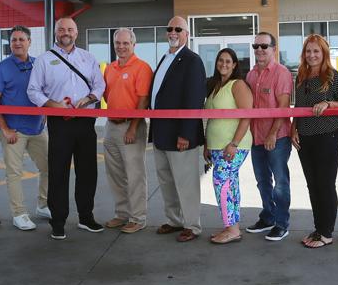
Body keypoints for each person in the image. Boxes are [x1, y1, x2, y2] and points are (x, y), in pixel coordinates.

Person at [27, 17, 106, 240]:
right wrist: (53, 105)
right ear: (55, 33)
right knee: (58, 172)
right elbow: (33, 91)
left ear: (76, 32)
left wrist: (90, 98)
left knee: (88, 171)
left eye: (70, 29)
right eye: (61, 29)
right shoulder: (44, 60)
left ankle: (86, 217)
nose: (66, 32)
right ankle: (58, 220)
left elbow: (99, 84)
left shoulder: (88, 58)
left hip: (85, 121)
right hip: (59, 123)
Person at [0, 25, 51, 232]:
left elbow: (46, 92)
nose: (17, 43)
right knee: (15, 173)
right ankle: (19, 214)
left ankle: (43, 205)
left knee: (49, 167)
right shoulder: (1, 69)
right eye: (13, 40)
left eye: (21, 39)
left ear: (29, 42)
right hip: (13, 130)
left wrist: (45, 118)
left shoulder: (38, 64)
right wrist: (4, 129)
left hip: (37, 129)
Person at [149, 16, 207, 243]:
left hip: (180, 135)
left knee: (186, 183)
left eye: (178, 29)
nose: (173, 32)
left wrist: (186, 133)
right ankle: (174, 220)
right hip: (161, 133)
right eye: (170, 28)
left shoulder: (192, 61)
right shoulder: (166, 58)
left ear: (186, 34)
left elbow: (194, 99)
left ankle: (192, 225)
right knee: (167, 181)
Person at [291, 34, 338, 248]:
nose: (312, 55)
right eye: (308, 51)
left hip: (328, 136)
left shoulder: (333, 76)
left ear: (324, 53)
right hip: (304, 138)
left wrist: (328, 103)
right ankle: (318, 229)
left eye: (316, 51)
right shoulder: (301, 76)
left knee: (325, 185)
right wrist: (293, 129)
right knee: (312, 186)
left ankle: (326, 233)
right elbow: (298, 107)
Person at [102, 28, 153, 234]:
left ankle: (138, 218)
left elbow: (143, 100)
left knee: (134, 175)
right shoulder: (110, 68)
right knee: (115, 174)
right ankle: (122, 214)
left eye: (125, 43)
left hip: (131, 126)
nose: (121, 47)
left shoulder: (142, 67)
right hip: (110, 126)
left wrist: (132, 127)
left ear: (133, 45)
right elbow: (107, 95)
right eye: (118, 43)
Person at [245, 32, 293, 241]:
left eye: (264, 46)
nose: (259, 50)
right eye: (256, 46)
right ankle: (268, 217)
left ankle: (282, 224)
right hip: (256, 137)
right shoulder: (251, 75)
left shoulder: (281, 73)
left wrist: (272, 134)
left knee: (280, 182)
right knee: (262, 181)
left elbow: (283, 108)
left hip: (278, 137)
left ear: (274, 48)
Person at [203, 48, 253, 244]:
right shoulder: (215, 85)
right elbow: (210, 119)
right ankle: (231, 226)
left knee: (221, 182)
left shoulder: (238, 85)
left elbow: (246, 115)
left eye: (228, 61)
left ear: (234, 65)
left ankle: (232, 228)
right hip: (216, 146)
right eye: (220, 60)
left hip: (234, 146)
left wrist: (234, 143)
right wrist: (207, 144)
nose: (223, 64)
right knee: (230, 184)